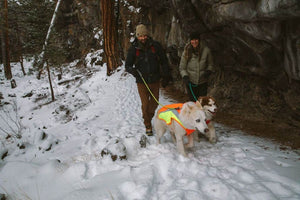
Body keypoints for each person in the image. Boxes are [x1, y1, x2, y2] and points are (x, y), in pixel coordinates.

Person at [125, 24, 171, 136]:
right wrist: (134, 71)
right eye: (140, 36)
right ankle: (147, 124)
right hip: (142, 82)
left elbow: (164, 61)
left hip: (155, 80)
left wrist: (166, 76)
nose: (143, 38)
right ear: (137, 36)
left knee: (154, 103)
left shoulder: (155, 46)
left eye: (145, 35)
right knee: (145, 104)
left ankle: (148, 117)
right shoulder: (133, 49)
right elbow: (127, 65)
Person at [179, 32, 214, 101]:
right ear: (190, 41)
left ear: (199, 40)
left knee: (202, 102)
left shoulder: (206, 50)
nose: (194, 42)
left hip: (203, 82)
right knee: (193, 102)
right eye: (192, 40)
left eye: (196, 40)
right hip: (190, 83)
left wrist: (208, 71)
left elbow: (210, 64)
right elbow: (182, 67)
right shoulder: (186, 51)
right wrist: (185, 76)